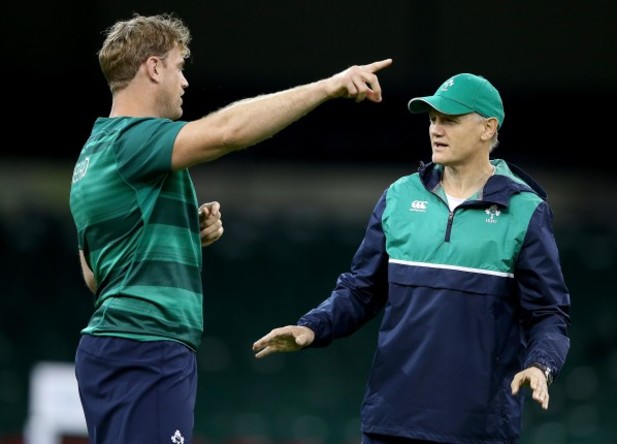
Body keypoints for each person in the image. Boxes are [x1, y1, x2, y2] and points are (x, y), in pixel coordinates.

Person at [68, 12, 392, 444]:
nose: (184, 82)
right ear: (154, 67)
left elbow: (96, 276)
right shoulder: (133, 141)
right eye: (180, 67)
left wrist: (182, 235)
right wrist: (328, 86)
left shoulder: (93, 154)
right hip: (146, 350)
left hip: (115, 349)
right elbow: (228, 132)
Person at [252, 73, 571, 444]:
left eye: (450, 120)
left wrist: (540, 364)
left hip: (478, 428)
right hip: (390, 420)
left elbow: (549, 313)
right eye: (432, 119)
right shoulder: (399, 196)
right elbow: (361, 289)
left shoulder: (525, 211)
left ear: (488, 128)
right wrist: (312, 327)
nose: (436, 129)